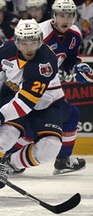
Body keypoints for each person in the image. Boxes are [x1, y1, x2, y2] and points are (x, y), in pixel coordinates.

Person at [0, 18, 66, 199]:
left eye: (33, 42)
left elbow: (25, 103)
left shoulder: (45, 62)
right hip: (13, 97)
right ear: (16, 41)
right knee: (5, 136)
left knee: (51, 148)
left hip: (45, 103)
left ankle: (11, 163)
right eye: (24, 42)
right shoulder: (4, 51)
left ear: (41, 41)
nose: (29, 48)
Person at [9, 0, 92, 175]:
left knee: (70, 115)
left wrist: (76, 66)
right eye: (62, 14)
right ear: (54, 16)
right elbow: (18, 54)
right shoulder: (41, 32)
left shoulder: (75, 34)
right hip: (30, 86)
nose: (66, 19)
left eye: (70, 15)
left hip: (50, 86)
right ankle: (9, 157)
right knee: (33, 129)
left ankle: (62, 160)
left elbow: (68, 60)